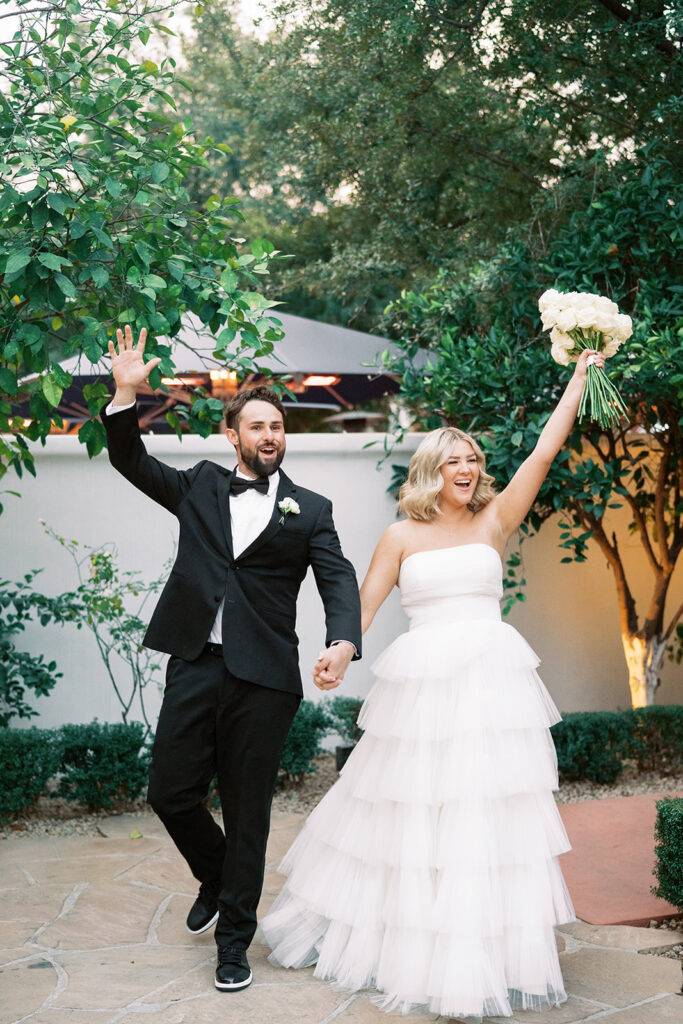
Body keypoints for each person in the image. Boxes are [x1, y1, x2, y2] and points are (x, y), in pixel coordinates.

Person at [260, 348, 604, 1019]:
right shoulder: (399, 537)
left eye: (473, 460)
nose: (467, 468)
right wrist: (336, 653)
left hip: (489, 688)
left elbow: (543, 449)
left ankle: (482, 950)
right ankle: (409, 946)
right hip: (419, 694)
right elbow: (357, 610)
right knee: (413, 816)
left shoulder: (494, 520)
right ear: (431, 470)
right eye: (454, 460)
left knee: (482, 817)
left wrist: (577, 380)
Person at [101, 325, 362, 993]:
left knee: (249, 811)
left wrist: (342, 639)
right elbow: (130, 461)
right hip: (195, 660)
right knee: (169, 792)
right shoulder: (198, 487)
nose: (269, 434)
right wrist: (126, 394)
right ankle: (215, 877)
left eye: (277, 425)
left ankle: (234, 941)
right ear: (232, 434)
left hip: (266, 679)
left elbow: (336, 578)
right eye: (257, 425)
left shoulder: (312, 511)